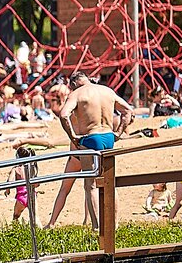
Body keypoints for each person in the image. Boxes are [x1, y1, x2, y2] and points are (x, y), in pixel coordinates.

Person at [56, 70, 133, 228]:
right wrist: (118, 133)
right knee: (109, 183)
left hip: (90, 138)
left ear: (75, 84)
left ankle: (97, 227)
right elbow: (128, 111)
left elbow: (63, 115)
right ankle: (115, 225)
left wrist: (72, 136)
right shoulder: (107, 91)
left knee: (90, 185)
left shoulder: (77, 94)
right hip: (108, 138)